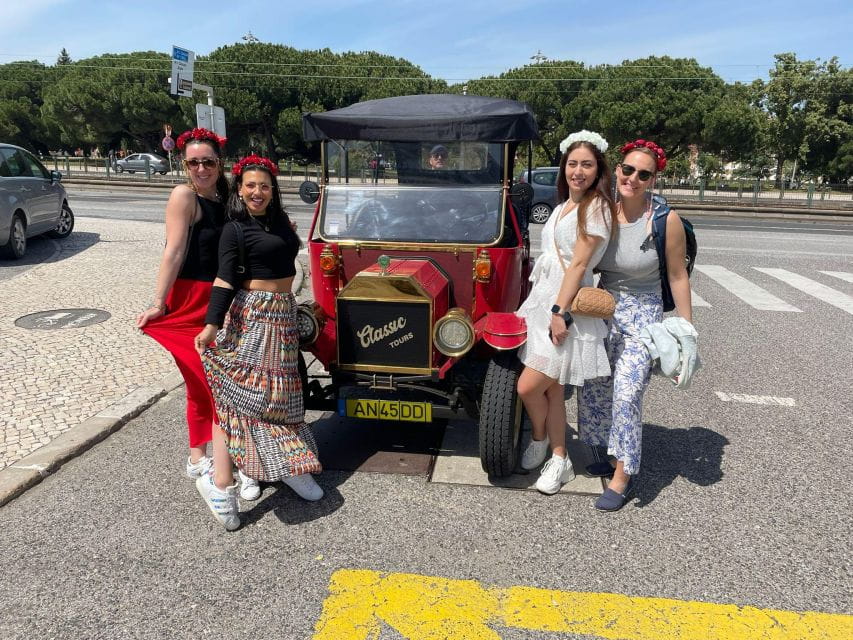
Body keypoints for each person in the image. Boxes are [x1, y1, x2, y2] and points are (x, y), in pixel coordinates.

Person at [194, 154, 323, 531]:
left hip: (283, 313)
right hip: (253, 315)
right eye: (250, 185)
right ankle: (228, 480)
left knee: (282, 395)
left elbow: (289, 261)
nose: (258, 191)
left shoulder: (281, 221)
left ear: (273, 190)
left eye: (264, 185)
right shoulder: (234, 229)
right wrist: (211, 325)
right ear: (240, 188)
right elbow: (223, 280)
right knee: (245, 397)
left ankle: (288, 466)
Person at [578, 138, 694, 511]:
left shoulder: (664, 220)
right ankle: (606, 450)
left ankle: (623, 475)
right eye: (628, 169)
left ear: (653, 180)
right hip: (604, 308)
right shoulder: (603, 214)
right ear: (618, 170)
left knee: (627, 393)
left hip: (644, 316)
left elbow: (677, 276)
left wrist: (685, 332)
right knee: (595, 387)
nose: (633, 178)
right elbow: (582, 263)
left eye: (644, 174)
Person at [515, 130, 617, 495]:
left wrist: (561, 313)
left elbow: (578, 265)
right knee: (553, 392)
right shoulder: (562, 206)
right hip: (545, 302)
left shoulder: (598, 207)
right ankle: (560, 459)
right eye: (572, 164)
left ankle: (541, 439)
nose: (578, 171)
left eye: (586, 164)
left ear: (598, 168)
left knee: (528, 386)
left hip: (566, 307)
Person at [136, 127, 228, 481]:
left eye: (208, 162)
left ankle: (208, 454)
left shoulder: (225, 198)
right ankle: (200, 457)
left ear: (219, 163)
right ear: (184, 164)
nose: (201, 169)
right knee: (202, 382)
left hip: (221, 302)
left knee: (213, 382)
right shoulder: (183, 196)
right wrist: (158, 302)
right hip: (189, 301)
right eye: (194, 163)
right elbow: (173, 250)